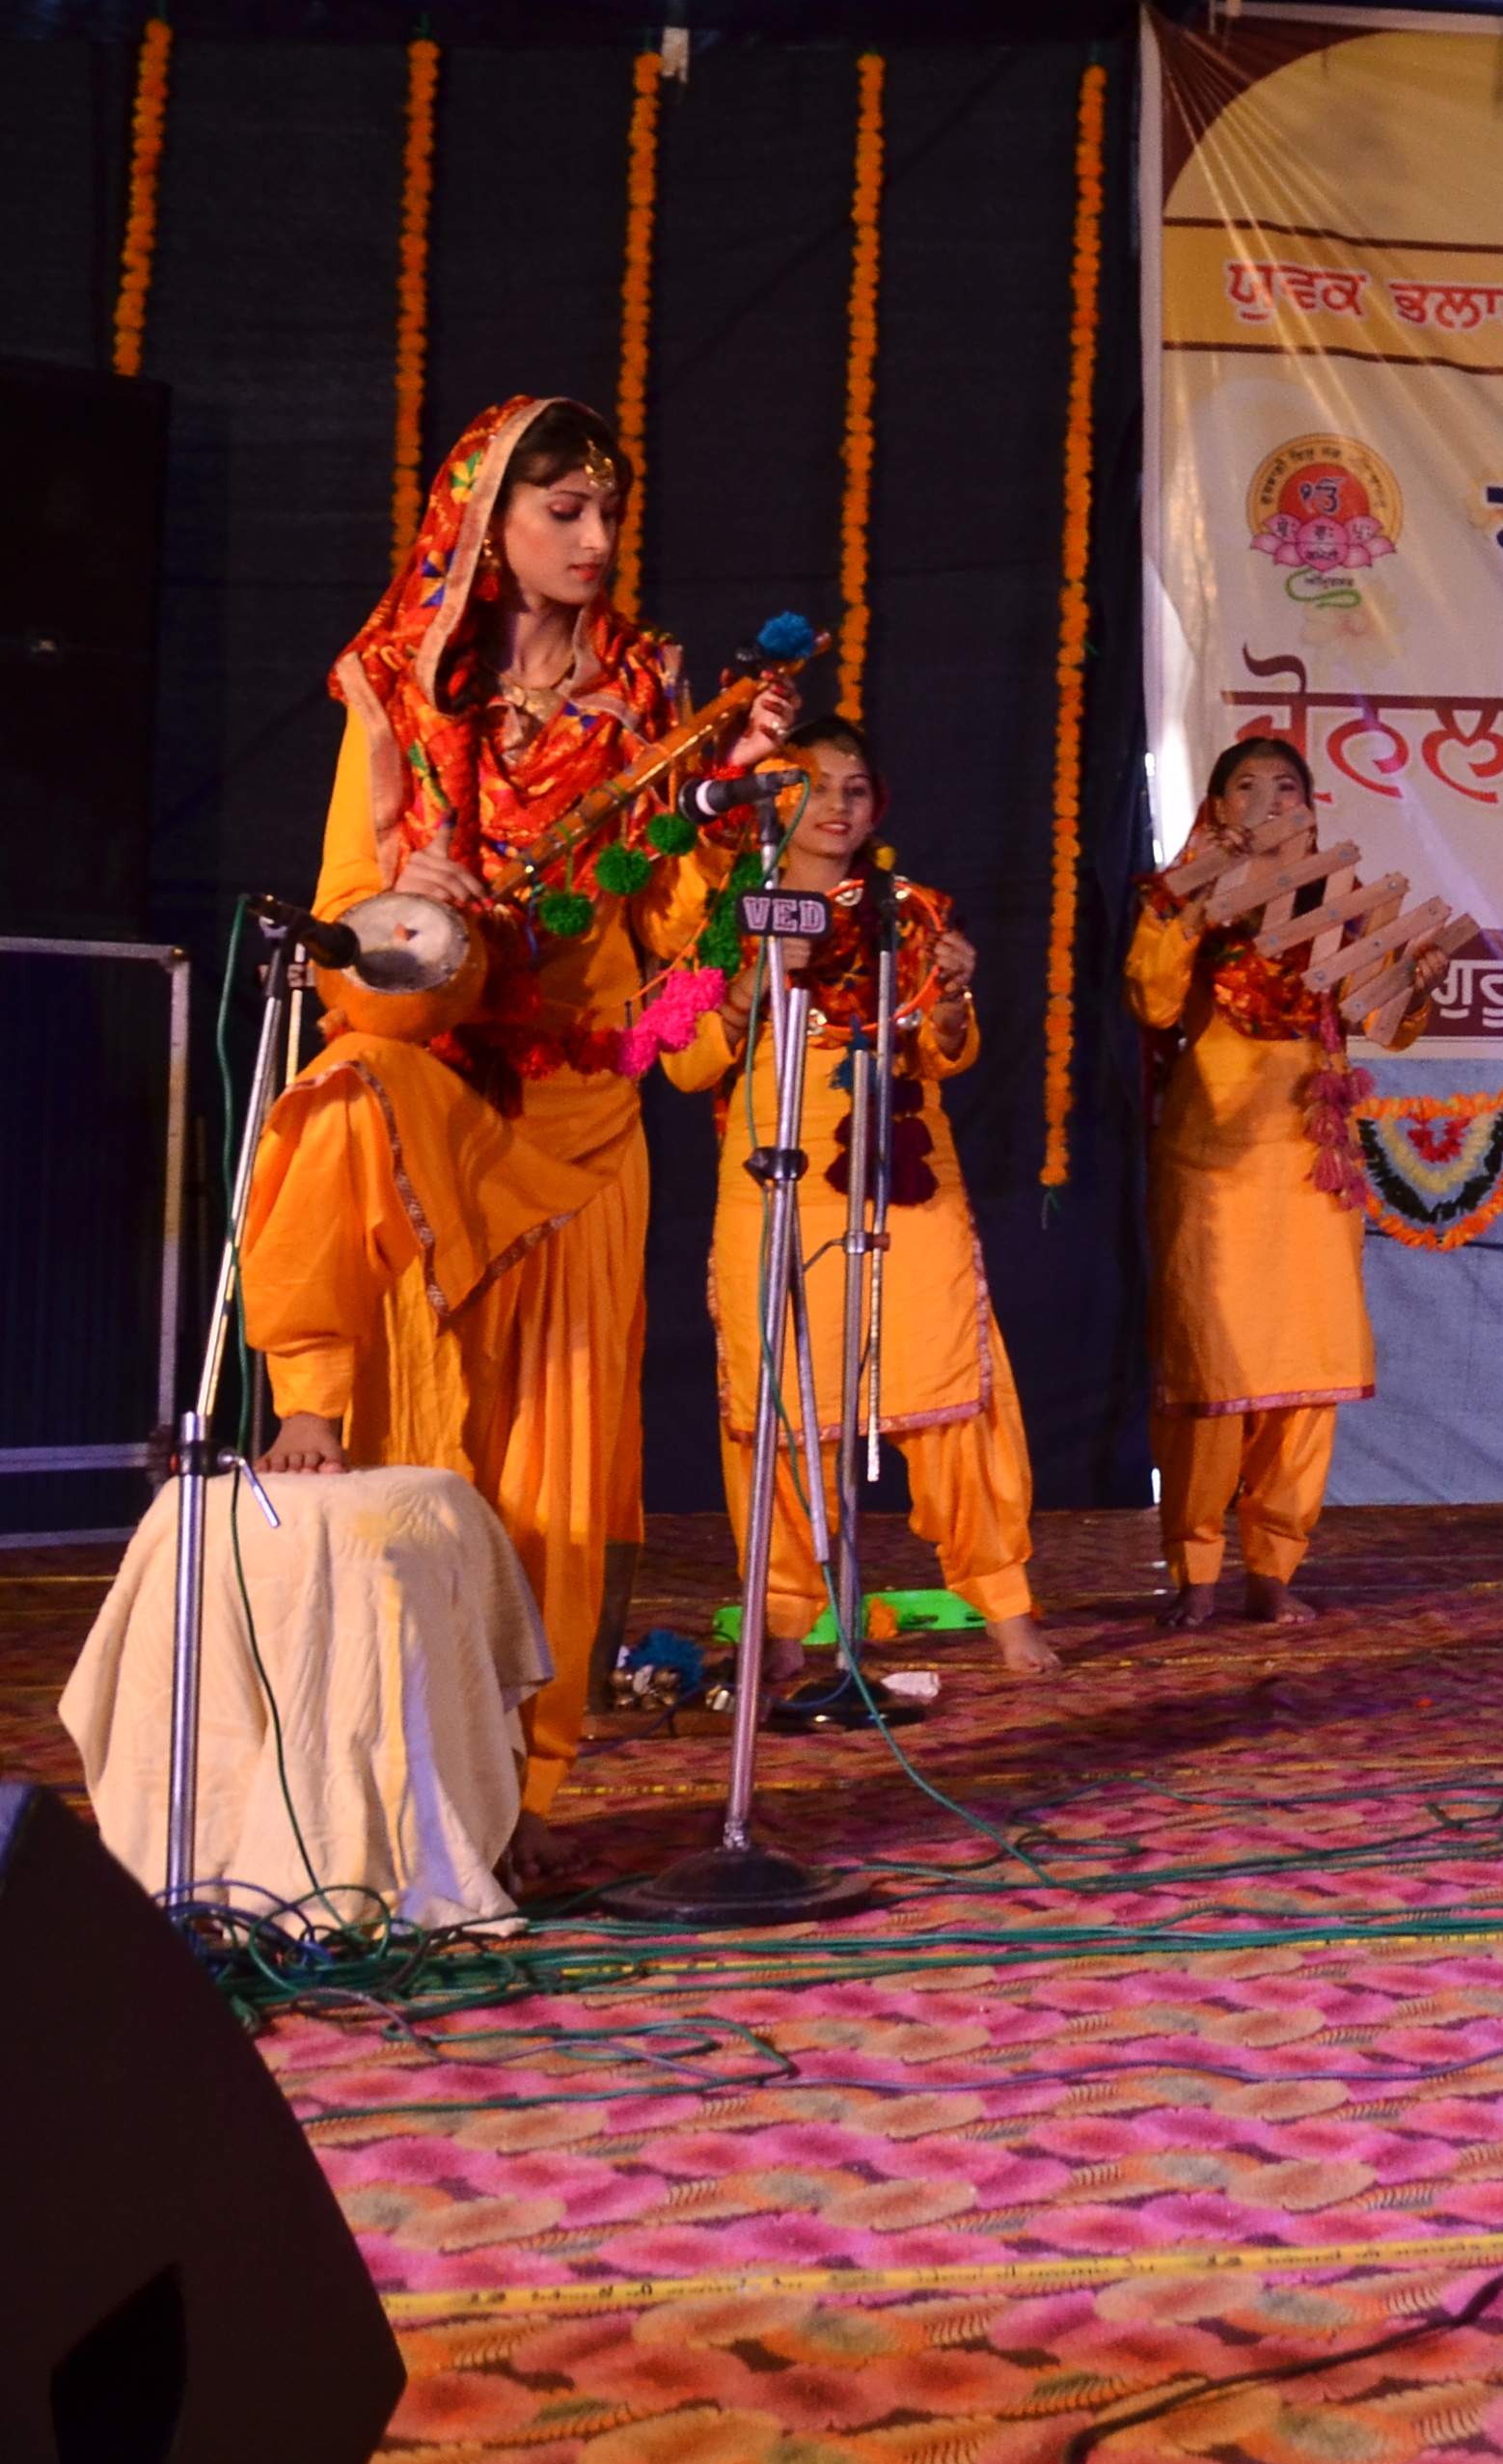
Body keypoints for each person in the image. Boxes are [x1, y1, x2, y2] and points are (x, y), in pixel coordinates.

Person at [233, 395, 795, 1873]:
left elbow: (679, 927)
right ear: (487, 523)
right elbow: (352, 919)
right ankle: (313, 1395)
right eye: (565, 512)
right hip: (441, 1066)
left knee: (554, 1478)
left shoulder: (662, 701)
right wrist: (404, 890)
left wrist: (727, 812)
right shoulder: (400, 692)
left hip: (585, 1108)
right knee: (347, 1096)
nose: (598, 542)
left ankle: (522, 1809)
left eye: (610, 512)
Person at [654, 717, 1057, 1676]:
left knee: (952, 1383)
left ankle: (1004, 1603)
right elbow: (678, 1061)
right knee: (778, 1402)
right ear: (771, 804)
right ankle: (788, 1618)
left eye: (853, 788)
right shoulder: (719, 912)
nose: (835, 806)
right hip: (773, 1172)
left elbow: (937, 1051)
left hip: (901, 1171)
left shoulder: (903, 910)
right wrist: (754, 983)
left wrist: (952, 1001)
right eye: (811, 787)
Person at [1129, 732, 1446, 1626]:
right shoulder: (1178, 898)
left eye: (1286, 788)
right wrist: (1191, 910)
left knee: (1309, 1372)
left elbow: (1392, 1027)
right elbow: (1151, 1002)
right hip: (1211, 1163)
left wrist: (1419, 986)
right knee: (1209, 1371)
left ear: (1309, 811)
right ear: (1219, 808)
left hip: (1312, 1163)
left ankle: (1274, 1564)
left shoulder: (1338, 907)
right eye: (1246, 787)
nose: (1268, 801)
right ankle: (1194, 1570)